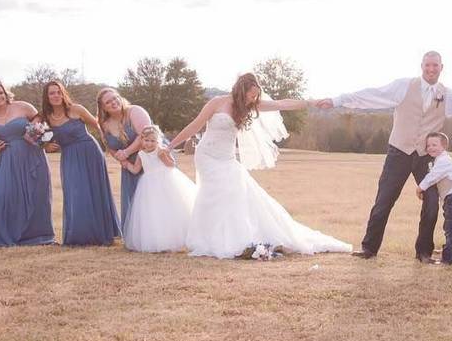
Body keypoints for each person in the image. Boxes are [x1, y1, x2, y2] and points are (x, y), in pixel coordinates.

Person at [165, 73, 351, 259]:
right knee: (212, 194)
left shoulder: (250, 106)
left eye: (255, 96)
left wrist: (310, 102)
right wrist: (171, 145)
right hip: (207, 156)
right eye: (251, 95)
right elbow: (195, 125)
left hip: (227, 158)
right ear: (241, 90)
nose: (253, 99)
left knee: (237, 192)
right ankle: (210, 238)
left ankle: (231, 236)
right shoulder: (217, 102)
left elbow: (281, 104)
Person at [317, 51, 452, 263]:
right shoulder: (404, 85)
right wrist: (337, 100)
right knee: (384, 200)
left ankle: (423, 252)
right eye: (427, 65)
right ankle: (369, 248)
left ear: (442, 67)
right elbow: (372, 95)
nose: (431, 69)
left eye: (435, 66)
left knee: (431, 203)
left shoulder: (448, 94)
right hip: (399, 152)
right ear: (421, 66)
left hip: (426, 156)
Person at [0, 80, 55, 246]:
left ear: (5, 93)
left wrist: (36, 130)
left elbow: (40, 118)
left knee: (36, 194)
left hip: (33, 155)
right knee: (1, 196)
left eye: (1, 92)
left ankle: (38, 235)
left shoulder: (23, 106)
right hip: (8, 160)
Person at [41, 81, 120, 246]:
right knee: (75, 192)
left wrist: (113, 145)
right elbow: (36, 135)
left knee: (95, 190)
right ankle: (79, 236)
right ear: (47, 97)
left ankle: (101, 234)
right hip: (69, 156)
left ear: (63, 94)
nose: (56, 96)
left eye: (58, 92)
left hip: (90, 151)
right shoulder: (45, 117)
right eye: (51, 93)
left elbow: (99, 126)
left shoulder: (76, 109)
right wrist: (46, 145)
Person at [123, 126, 197, 253]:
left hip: (165, 180)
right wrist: (126, 164)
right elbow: (136, 170)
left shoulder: (160, 151)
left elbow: (171, 165)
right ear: (142, 140)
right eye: (147, 140)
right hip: (148, 185)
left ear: (158, 142)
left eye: (153, 141)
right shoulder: (141, 154)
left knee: (170, 208)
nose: (149, 143)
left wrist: (165, 155)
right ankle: (157, 240)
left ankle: (178, 237)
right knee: (154, 212)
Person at [96, 87, 156, 227]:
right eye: (108, 102)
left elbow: (145, 136)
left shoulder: (134, 111)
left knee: (152, 198)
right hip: (129, 166)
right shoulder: (104, 124)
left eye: (115, 97)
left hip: (149, 159)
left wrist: (127, 152)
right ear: (103, 108)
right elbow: (109, 146)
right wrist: (120, 158)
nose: (114, 102)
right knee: (134, 200)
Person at [415, 132, 452, 265]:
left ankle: (449, 258)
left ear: (444, 146)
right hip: (451, 198)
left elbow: (433, 177)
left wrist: (420, 188)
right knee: (449, 227)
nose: (431, 148)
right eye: (428, 145)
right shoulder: (439, 160)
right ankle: (449, 253)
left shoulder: (444, 160)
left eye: (434, 145)